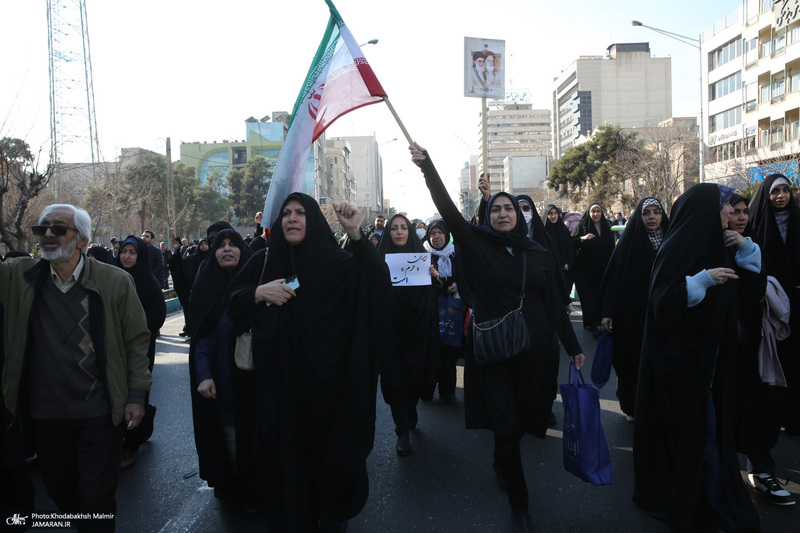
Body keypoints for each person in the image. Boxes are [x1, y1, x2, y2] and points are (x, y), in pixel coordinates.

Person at [410, 144, 585, 533]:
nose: (503, 213)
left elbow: (554, 303)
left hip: (535, 352)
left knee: (521, 421)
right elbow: (448, 211)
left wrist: (573, 348)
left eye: (509, 208)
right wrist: (428, 166)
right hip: (493, 351)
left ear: (519, 216)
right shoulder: (477, 244)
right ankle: (519, 503)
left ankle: (502, 457)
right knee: (505, 424)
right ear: (488, 216)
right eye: (496, 209)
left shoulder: (537, 252)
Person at [226, 194, 390, 532]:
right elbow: (232, 303)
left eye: (300, 213)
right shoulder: (265, 262)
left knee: (332, 472)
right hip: (281, 395)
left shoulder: (339, 264)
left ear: (312, 219)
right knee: (288, 476)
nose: (292, 218)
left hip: (331, 394)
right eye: (286, 213)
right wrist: (259, 293)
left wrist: (356, 234)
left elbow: (376, 282)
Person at [0, 204, 152, 526]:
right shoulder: (21, 277)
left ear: (83, 240)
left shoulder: (114, 281)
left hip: (99, 411)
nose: (48, 234)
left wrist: (137, 395)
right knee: (58, 489)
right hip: (46, 414)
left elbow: (136, 341)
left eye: (59, 229)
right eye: (42, 229)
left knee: (96, 498)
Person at [633, 184, 761, 532]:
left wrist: (746, 248)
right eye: (725, 206)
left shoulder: (721, 243)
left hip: (714, 361)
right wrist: (700, 282)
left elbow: (750, 290)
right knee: (702, 434)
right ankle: (715, 508)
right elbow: (660, 304)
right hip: (684, 365)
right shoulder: (678, 246)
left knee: (710, 433)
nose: (732, 213)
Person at [726, 192, 793, 506]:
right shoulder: (710, 246)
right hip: (721, 345)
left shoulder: (751, 244)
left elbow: (754, 291)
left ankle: (762, 470)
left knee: (757, 403)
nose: (741, 218)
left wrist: (747, 250)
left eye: (744, 212)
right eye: (734, 212)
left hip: (755, 342)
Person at [187, 228, 251, 502]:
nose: (227, 249)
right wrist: (204, 375)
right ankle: (239, 490)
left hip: (257, 380)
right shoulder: (207, 289)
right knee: (230, 432)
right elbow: (203, 338)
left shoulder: (257, 281)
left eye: (232, 244)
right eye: (220, 245)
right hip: (225, 382)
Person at [599, 198, 669, 420]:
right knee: (632, 362)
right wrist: (608, 312)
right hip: (632, 315)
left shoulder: (671, 240)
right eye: (646, 213)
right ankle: (632, 405)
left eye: (656, 212)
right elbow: (614, 279)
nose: (652, 217)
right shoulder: (629, 244)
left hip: (665, 314)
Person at [377, 214, 438, 456]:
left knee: (414, 380)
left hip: (417, 331)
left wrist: (434, 277)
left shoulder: (422, 260)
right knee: (395, 380)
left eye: (403, 227)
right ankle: (401, 431)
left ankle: (411, 409)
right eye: (394, 228)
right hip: (391, 332)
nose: (399, 232)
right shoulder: (379, 261)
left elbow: (432, 297)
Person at [749, 174, 800, 436]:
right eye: (775, 191)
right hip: (769, 304)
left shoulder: (797, 221)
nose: (781, 196)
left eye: (785, 190)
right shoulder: (755, 224)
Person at [113, 236, 165, 468]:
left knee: (136, 393)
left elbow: (158, 314)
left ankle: (131, 444)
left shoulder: (148, 282)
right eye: (124, 251)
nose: (126, 256)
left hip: (140, 348)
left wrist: (135, 324)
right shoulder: (111, 277)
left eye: (132, 253)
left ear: (141, 256)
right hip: (113, 347)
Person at [425, 219, 463, 404]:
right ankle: (426, 391)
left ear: (447, 235)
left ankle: (447, 391)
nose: (437, 237)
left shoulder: (456, 254)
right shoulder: (422, 256)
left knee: (449, 351)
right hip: (430, 311)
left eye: (440, 233)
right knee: (431, 352)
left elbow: (465, 276)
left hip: (451, 312)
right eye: (433, 233)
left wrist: (457, 285)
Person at [571, 202, 614, 336]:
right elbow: (570, 242)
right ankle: (591, 323)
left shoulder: (606, 227)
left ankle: (601, 321)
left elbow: (611, 247)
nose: (595, 214)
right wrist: (582, 239)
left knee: (602, 295)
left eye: (598, 211)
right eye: (593, 211)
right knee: (590, 297)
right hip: (586, 271)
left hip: (603, 269)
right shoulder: (581, 226)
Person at [542, 205, 575, 294]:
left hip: (564, 270)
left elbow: (570, 248)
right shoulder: (543, 232)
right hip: (549, 271)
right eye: (550, 213)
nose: (553, 216)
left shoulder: (563, 230)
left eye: (555, 213)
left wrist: (568, 263)